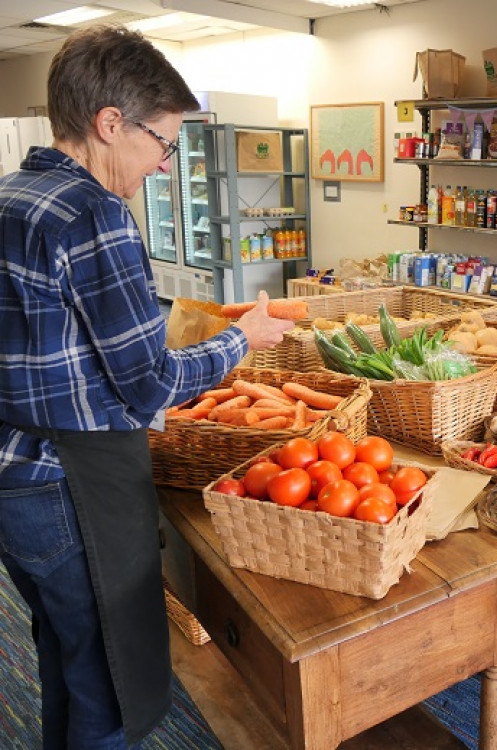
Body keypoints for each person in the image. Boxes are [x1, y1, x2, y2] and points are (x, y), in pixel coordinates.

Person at [0, 25, 293, 748]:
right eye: (162, 142)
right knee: (110, 677)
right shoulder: (94, 214)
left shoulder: (14, 194)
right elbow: (147, 389)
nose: (164, 165)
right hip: (72, 483)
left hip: (13, 473)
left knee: (66, 651)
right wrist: (238, 341)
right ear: (109, 124)